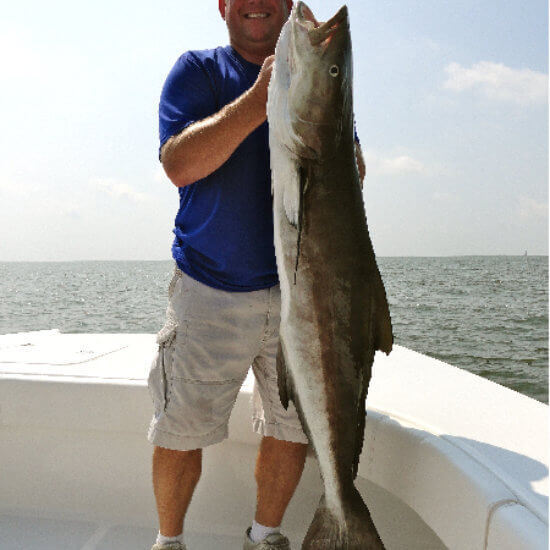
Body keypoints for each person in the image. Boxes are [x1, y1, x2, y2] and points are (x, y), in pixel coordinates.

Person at [147, 1, 365, 549]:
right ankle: (169, 541)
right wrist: (262, 97)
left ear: (288, 6)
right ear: (222, 5)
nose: (258, 3)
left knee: (291, 426)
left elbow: (349, 171)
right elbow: (179, 165)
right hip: (209, 290)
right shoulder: (198, 71)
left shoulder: (311, 82)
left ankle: (265, 536)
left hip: (298, 296)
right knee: (180, 429)